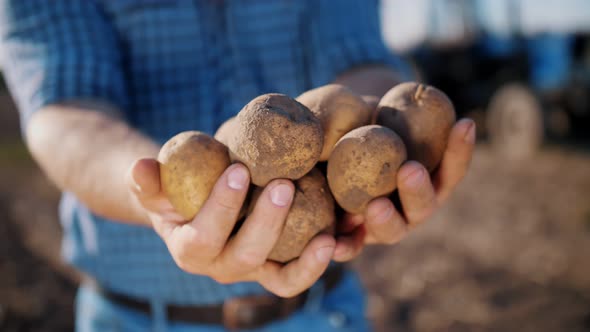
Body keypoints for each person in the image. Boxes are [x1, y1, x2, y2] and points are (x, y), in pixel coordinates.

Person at [0, 1, 475, 331]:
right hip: (135, 320)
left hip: (321, 312)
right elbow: (63, 109)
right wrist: (154, 198)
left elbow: (361, 59)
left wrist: (387, 123)